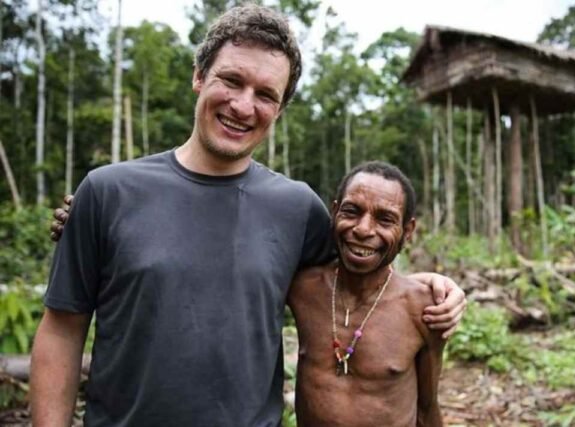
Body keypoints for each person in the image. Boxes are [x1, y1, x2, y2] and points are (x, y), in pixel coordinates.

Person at [31, 5, 464, 427]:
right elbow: (62, 331)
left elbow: (362, 263)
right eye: (231, 80)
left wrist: (435, 288)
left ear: (280, 108)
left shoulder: (298, 209)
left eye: (265, 94)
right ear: (199, 76)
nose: (242, 106)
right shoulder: (109, 192)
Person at [289, 161, 444, 426]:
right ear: (335, 211)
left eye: (385, 219)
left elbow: (427, 407)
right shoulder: (302, 289)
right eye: (352, 211)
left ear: (407, 231)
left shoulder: (424, 309)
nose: (363, 229)